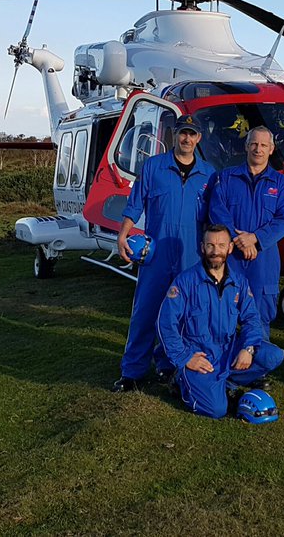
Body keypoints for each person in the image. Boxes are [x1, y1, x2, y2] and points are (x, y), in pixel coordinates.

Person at [113, 114, 216, 392]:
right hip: (156, 253)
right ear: (174, 135)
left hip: (190, 255)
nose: (187, 139)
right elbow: (135, 205)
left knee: (183, 315)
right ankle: (132, 372)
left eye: (192, 134)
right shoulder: (154, 167)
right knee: (146, 311)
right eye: (182, 133)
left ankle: (170, 367)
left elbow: (214, 219)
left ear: (199, 138)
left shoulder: (209, 174)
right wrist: (123, 233)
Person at [157, 225, 284, 418]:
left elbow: (251, 318)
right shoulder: (185, 282)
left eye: (221, 245)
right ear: (202, 247)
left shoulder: (239, 282)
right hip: (199, 354)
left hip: (228, 350)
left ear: (230, 248)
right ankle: (181, 379)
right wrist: (185, 357)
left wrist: (248, 348)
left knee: (274, 355)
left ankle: (227, 383)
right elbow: (165, 323)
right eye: (210, 245)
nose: (216, 251)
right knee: (216, 410)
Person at [207, 126, 284, 339]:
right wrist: (239, 241)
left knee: (260, 314)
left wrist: (255, 239)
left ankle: (256, 366)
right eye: (254, 144)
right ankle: (222, 364)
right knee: (224, 311)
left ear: (271, 149)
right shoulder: (226, 178)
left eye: (264, 145)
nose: (258, 149)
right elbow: (217, 210)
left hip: (263, 259)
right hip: (231, 257)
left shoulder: (281, 184)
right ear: (246, 146)